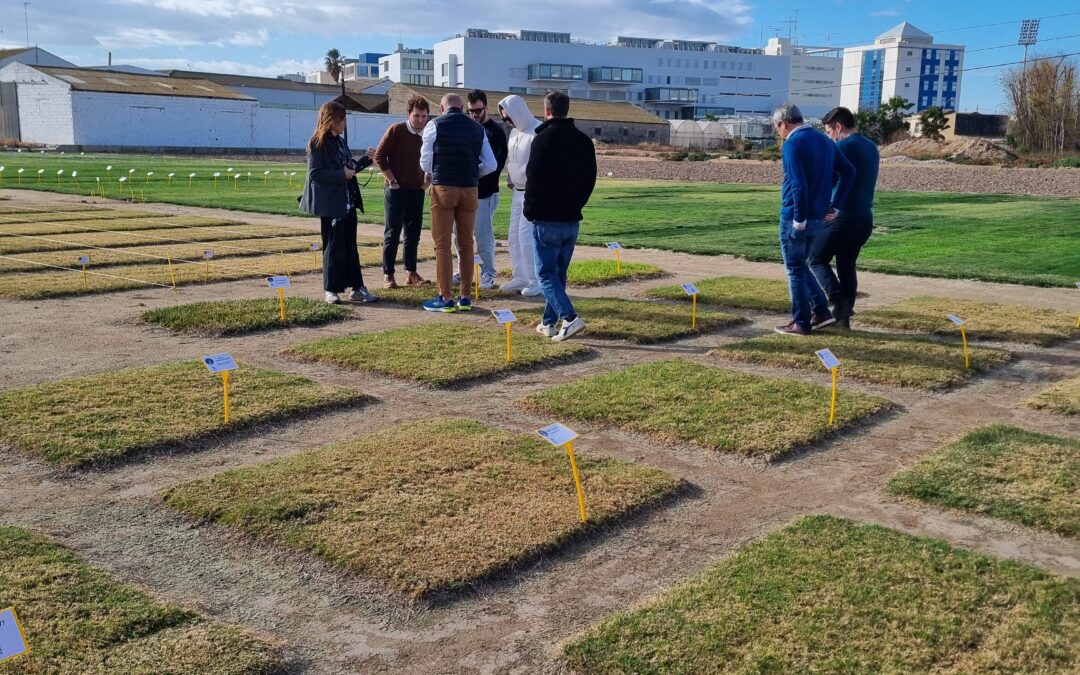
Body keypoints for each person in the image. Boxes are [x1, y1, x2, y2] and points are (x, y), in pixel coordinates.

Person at [772, 102, 855, 336]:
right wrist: (836, 205)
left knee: (794, 270)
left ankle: (801, 322)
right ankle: (821, 311)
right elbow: (849, 172)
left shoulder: (792, 144)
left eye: (777, 128)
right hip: (820, 215)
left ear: (783, 124)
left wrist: (798, 219)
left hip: (796, 217)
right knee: (801, 265)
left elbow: (798, 185)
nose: (778, 132)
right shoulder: (825, 140)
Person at [524, 90, 596, 342]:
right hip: (571, 217)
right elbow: (590, 179)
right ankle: (548, 323)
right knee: (558, 275)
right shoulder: (583, 141)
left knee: (545, 274)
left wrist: (529, 210)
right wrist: (577, 203)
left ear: (546, 111)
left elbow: (533, 179)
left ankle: (570, 318)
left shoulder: (542, 140)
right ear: (567, 109)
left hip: (546, 218)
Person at [419, 92, 497, 312]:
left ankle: (445, 297)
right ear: (462, 107)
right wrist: (474, 172)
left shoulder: (434, 125)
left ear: (442, 108)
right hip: (470, 188)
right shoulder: (477, 128)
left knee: (442, 245)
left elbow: (425, 162)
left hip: (443, 186)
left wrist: (436, 173)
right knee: (466, 244)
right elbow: (491, 164)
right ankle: (465, 296)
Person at [299, 100, 378, 305]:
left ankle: (357, 288)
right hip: (331, 204)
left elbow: (348, 169)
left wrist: (366, 160)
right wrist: (340, 174)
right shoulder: (317, 144)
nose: (344, 124)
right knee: (333, 246)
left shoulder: (341, 142)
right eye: (342, 119)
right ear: (331, 119)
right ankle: (331, 290)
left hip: (348, 201)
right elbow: (315, 174)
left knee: (351, 246)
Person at [809, 106, 880, 330]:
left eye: (829, 131)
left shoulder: (841, 146)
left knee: (815, 258)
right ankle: (843, 320)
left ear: (838, 127)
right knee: (846, 264)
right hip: (864, 218)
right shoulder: (871, 146)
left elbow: (826, 179)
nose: (828, 136)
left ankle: (839, 303)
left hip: (842, 217)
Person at [453, 89, 508, 290]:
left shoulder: (496, 132)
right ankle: (463, 268)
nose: (475, 115)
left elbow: (496, 166)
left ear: (486, 108)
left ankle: (488, 273)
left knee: (482, 235)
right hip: (464, 190)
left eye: (478, 110)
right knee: (458, 234)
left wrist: (471, 174)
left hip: (485, 192)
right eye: (470, 111)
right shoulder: (468, 128)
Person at [373, 95, 430, 288]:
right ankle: (388, 275)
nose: (421, 120)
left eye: (424, 116)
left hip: (417, 190)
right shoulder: (396, 130)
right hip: (395, 190)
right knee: (392, 233)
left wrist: (426, 183)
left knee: (413, 234)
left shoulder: (429, 133)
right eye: (417, 116)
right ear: (409, 114)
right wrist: (392, 179)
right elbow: (379, 156)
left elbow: (433, 160)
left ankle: (410, 272)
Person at [496, 94, 543, 297]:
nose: (508, 121)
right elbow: (512, 158)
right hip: (516, 191)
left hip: (531, 192)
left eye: (509, 117)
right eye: (505, 119)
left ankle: (535, 280)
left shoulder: (538, 131)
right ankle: (520, 277)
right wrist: (509, 176)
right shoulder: (514, 133)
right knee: (513, 236)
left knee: (526, 237)